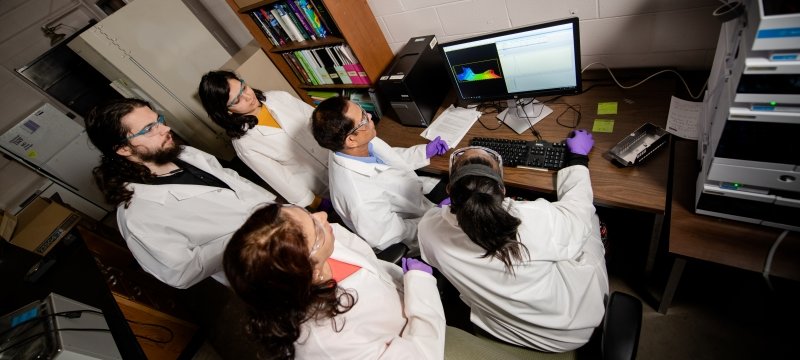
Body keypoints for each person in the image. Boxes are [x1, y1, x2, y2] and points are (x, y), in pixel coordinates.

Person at [417, 130, 609, 353]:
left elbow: (440, 224)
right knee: (591, 222)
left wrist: (445, 212)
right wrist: (578, 158)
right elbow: (579, 210)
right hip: (572, 329)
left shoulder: (428, 230)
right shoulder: (534, 219)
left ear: (449, 190)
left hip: (503, 328)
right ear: (503, 190)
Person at [85, 98, 276, 289]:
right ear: (123, 149)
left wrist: (276, 209)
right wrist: (250, 234)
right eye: (149, 128)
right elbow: (181, 273)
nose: (165, 129)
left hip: (281, 224)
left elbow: (231, 178)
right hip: (260, 269)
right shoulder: (138, 214)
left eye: (159, 120)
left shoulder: (184, 153)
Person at [223, 203, 446, 359]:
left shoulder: (325, 242)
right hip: (426, 334)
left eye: (308, 214)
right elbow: (424, 354)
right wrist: (422, 289)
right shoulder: (328, 341)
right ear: (311, 272)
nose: (322, 216)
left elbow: (369, 263)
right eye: (316, 227)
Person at [310, 96, 450, 253]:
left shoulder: (351, 145)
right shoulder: (360, 199)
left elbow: (388, 158)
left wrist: (423, 152)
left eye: (363, 111)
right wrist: (436, 219)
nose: (369, 116)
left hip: (417, 200)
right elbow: (393, 237)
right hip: (417, 233)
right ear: (351, 140)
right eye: (363, 118)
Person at [198, 70, 330, 209]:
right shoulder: (245, 144)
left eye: (243, 88)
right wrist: (318, 203)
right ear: (226, 111)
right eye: (237, 100)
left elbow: (320, 121)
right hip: (322, 187)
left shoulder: (279, 97)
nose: (248, 97)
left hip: (341, 158)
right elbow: (283, 180)